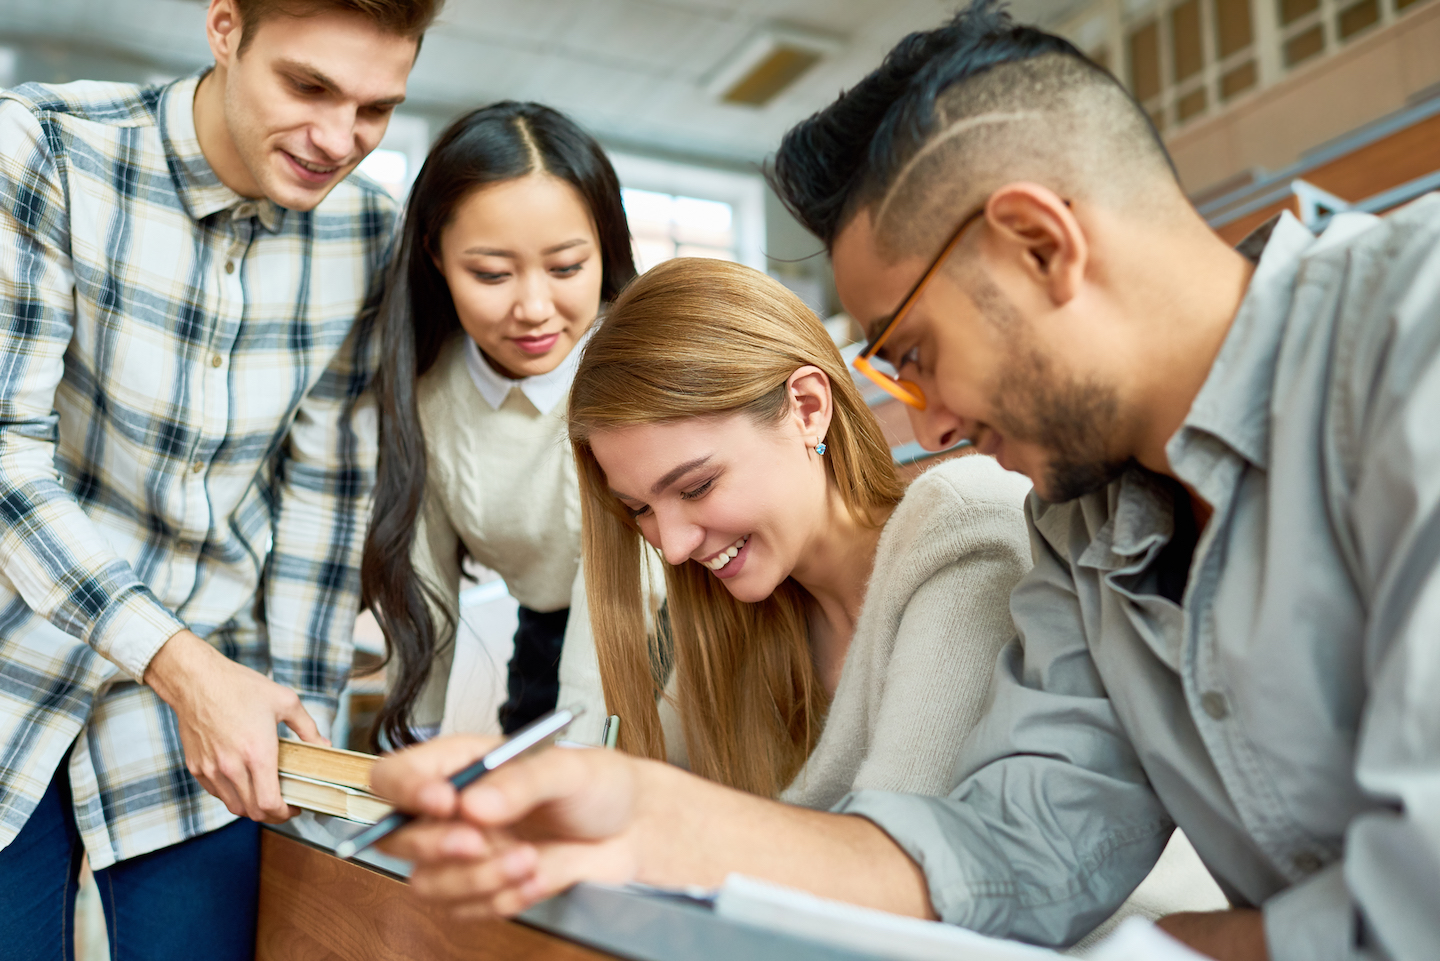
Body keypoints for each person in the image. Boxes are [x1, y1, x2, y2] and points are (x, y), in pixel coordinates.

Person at [369, 4, 1440, 960]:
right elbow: (1020, 853)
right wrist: (649, 815)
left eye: (913, 350)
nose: (928, 421)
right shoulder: (1082, 523)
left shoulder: (1412, 343)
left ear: (1038, 244)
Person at [0, 0, 435, 957]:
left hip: (211, 697)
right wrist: (182, 666)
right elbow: (6, 458)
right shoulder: (44, 151)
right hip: (16, 662)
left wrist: (305, 757)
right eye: (309, 85)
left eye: (375, 108)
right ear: (226, 29)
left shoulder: (368, 232)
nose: (337, 139)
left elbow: (325, 503)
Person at [361, 101, 635, 748]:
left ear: (606, 248)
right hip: (547, 637)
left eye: (567, 267)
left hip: (682, 631)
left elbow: (617, 599)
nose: (534, 308)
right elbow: (422, 583)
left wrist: (578, 754)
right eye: (490, 273)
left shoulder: (641, 368)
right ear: (434, 254)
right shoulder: (428, 392)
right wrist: (411, 743)